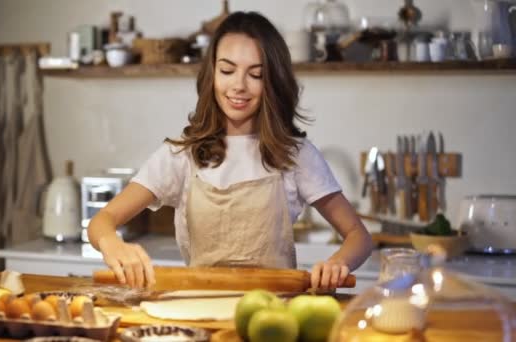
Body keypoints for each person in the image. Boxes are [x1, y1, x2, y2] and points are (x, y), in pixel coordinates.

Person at [88, 11, 373, 290]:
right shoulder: (181, 156)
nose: (238, 85)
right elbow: (101, 222)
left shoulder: (295, 154)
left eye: (256, 74)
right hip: (199, 315)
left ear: (272, 82)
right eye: (227, 70)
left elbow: (358, 236)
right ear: (212, 74)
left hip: (273, 321)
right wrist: (113, 243)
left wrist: (338, 262)